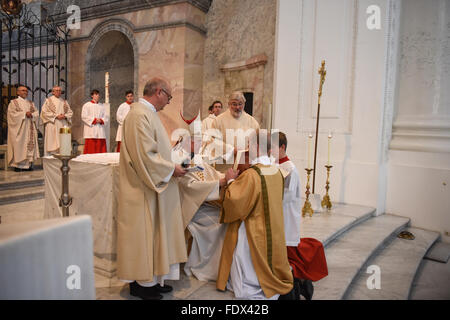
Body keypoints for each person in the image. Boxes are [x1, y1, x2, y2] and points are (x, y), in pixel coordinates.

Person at [117, 77, 188, 300]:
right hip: (141, 190)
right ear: (159, 92)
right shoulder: (139, 115)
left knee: (153, 236)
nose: (169, 101)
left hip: (151, 187)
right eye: (169, 96)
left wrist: (173, 160)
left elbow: (154, 150)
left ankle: (152, 281)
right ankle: (141, 286)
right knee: (143, 237)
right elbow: (145, 156)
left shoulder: (148, 113)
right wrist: (171, 169)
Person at [216, 131, 294, 300]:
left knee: (247, 268)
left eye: (249, 146)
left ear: (256, 147)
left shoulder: (253, 174)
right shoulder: (276, 171)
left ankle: (255, 285)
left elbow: (235, 202)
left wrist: (230, 181)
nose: (246, 149)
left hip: (253, 232)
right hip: (271, 231)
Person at [270, 131, 328, 300]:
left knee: (287, 258)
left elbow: (286, 197)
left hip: (285, 218)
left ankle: (298, 287)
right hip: (278, 217)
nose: (270, 150)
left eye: (273, 147)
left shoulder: (290, 168)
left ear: (282, 147)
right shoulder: (275, 164)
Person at [204, 92, 260, 167]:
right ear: (229, 104)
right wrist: (231, 150)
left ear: (244, 104)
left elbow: (258, 142)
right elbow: (212, 141)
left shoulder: (252, 122)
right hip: (224, 165)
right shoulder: (218, 120)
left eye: (240, 104)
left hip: (245, 165)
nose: (237, 107)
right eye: (234, 104)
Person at [7, 85, 40, 171]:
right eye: (22, 90)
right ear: (18, 92)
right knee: (19, 145)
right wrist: (24, 114)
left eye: (26, 91)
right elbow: (11, 115)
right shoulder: (14, 102)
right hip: (20, 130)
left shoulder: (31, 103)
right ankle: (17, 165)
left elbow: (37, 113)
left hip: (30, 128)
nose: (25, 92)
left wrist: (32, 114)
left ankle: (28, 165)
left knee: (29, 145)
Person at [40, 86, 73, 156]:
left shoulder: (64, 102)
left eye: (59, 90)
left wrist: (65, 116)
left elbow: (70, 112)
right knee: (52, 142)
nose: (58, 92)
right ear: (53, 92)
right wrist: (56, 116)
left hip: (63, 124)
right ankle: (51, 158)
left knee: (62, 143)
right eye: (56, 90)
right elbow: (44, 113)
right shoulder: (48, 101)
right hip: (52, 123)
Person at [81, 89, 108, 154]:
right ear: (92, 96)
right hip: (91, 129)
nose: (97, 96)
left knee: (100, 147)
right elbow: (84, 116)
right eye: (95, 94)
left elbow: (106, 117)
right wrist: (94, 120)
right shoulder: (87, 105)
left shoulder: (102, 106)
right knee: (91, 148)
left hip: (100, 129)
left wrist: (101, 120)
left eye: (98, 94)